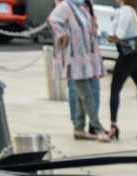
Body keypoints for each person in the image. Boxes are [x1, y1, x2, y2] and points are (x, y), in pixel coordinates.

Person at [50, 0, 106, 140]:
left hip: (85, 59)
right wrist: (63, 34)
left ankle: (79, 127)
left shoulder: (82, 7)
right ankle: (97, 127)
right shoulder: (67, 6)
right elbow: (53, 20)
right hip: (75, 59)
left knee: (83, 95)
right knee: (87, 94)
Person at [105, 0, 137, 139]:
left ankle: (113, 125)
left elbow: (120, 34)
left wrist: (107, 37)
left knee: (115, 88)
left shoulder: (125, 10)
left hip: (127, 55)